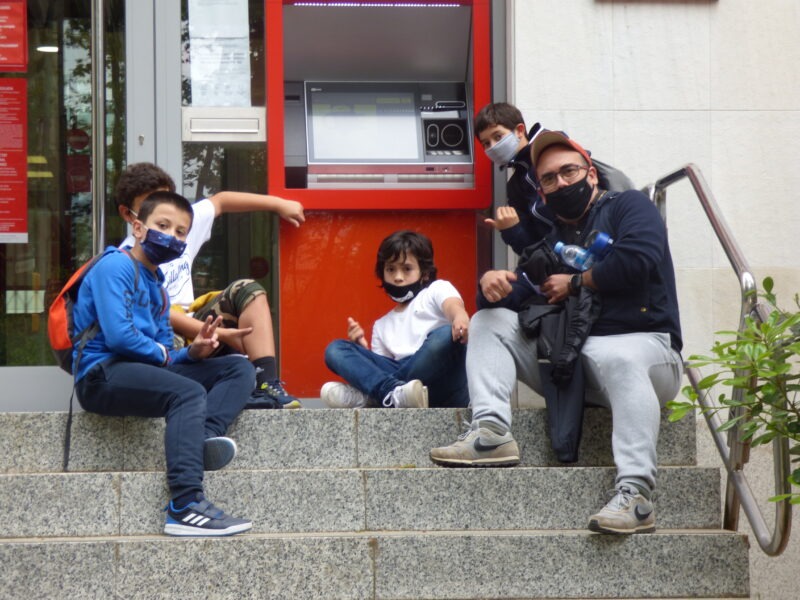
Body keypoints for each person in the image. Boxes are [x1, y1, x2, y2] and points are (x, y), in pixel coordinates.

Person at [430, 131, 684, 535]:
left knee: (619, 357)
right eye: (549, 178)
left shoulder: (629, 205)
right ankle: (491, 431)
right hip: (576, 366)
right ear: (542, 193)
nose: (561, 183)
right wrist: (492, 286)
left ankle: (635, 495)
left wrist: (579, 282)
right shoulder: (553, 240)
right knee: (488, 321)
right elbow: (522, 292)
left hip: (648, 355)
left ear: (591, 174)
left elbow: (640, 257)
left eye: (569, 171)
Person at [73, 190, 254, 536]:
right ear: (138, 228)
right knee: (187, 393)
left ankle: (200, 439)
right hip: (101, 374)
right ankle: (184, 504)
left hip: (140, 371)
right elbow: (120, 337)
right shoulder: (115, 266)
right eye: (163, 225)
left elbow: (165, 352)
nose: (172, 236)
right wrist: (167, 355)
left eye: (181, 232)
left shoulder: (157, 285)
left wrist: (194, 352)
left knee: (238, 367)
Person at [115, 162, 305, 409]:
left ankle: (267, 384)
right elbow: (158, 313)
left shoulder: (180, 225)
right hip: (164, 337)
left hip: (196, 324)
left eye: (167, 200)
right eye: (151, 206)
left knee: (248, 291)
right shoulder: (125, 260)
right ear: (129, 215)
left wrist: (278, 204)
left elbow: (221, 201)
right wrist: (218, 334)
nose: (166, 220)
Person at [321, 230, 470, 409]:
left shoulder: (436, 290)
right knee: (335, 349)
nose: (398, 277)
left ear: (424, 273)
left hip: (442, 381)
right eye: (391, 269)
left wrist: (459, 317)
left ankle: (372, 397)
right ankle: (391, 393)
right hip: (405, 389)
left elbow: (453, 306)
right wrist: (362, 351)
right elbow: (381, 372)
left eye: (407, 269)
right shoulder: (381, 326)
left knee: (445, 335)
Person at [474, 102, 635, 256]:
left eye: (498, 136)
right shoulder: (517, 186)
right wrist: (512, 229)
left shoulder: (630, 208)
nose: (493, 146)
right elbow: (532, 249)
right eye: (486, 143)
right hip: (568, 261)